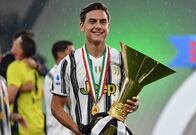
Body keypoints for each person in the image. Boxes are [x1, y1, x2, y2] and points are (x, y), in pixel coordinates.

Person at [51, 2, 140, 135]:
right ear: (82, 26)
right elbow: (56, 106)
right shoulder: (68, 62)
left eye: (103, 22)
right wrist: (76, 129)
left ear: (108, 26)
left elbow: (133, 100)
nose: (98, 26)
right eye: (92, 21)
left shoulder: (123, 60)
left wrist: (135, 104)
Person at [7, 33, 44, 135]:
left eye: (17, 42)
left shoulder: (15, 67)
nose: (14, 42)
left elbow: (9, 100)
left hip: (22, 125)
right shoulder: (35, 68)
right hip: (37, 124)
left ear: (21, 50)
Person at [44, 40, 74, 135]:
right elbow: (67, 100)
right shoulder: (56, 74)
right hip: (60, 130)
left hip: (64, 129)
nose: (74, 56)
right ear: (61, 54)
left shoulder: (58, 73)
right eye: (71, 52)